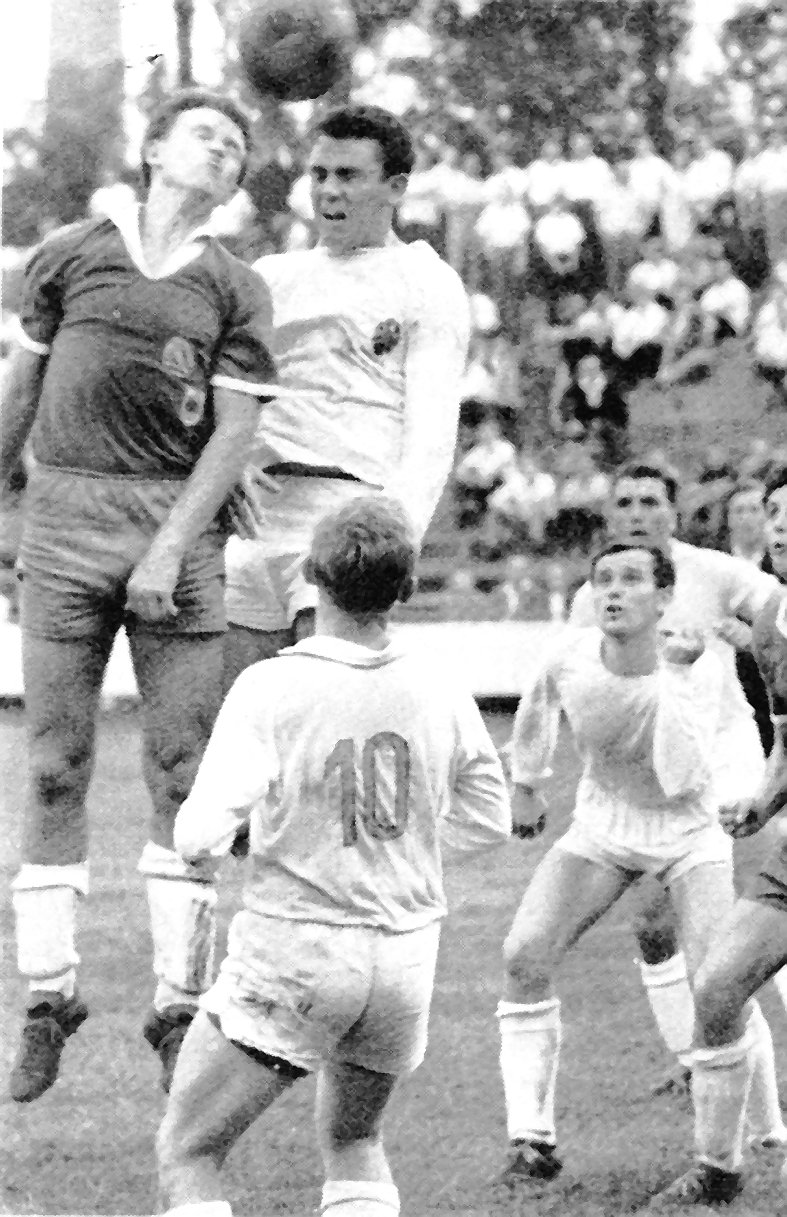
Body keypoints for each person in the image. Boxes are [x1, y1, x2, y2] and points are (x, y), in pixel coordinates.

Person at [2, 89, 278, 1102]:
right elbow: (20, 393)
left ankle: (177, 1008)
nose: (224, 151)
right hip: (66, 519)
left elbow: (236, 432)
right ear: (155, 148)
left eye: (237, 146)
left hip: (179, 531)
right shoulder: (70, 254)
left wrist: (167, 548)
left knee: (180, 772)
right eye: (207, 134)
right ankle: (49, 997)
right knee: (53, 766)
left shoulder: (236, 286)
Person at [155, 495, 512, 1217]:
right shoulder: (439, 685)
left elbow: (196, 835)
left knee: (188, 1150)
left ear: (311, 578)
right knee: (355, 1139)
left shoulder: (272, 684)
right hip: (404, 956)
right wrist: (396, 849)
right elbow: (488, 819)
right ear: (405, 588)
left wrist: (266, 839)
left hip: (298, 948)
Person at [497, 541, 732, 1182]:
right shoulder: (570, 656)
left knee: (719, 984)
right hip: (602, 828)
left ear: (664, 597)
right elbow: (536, 707)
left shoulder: (697, 668)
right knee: (524, 954)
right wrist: (527, 784)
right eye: (603, 580)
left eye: (632, 579)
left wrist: (677, 675)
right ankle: (530, 1142)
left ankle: (738, 1149)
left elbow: (680, 778)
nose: (615, 591)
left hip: (689, 833)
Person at [569, 464, 786, 1137]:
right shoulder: (593, 596)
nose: (636, 513)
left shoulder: (716, 574)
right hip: (662, 780)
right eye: (624, 502)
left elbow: (769, 604)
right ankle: (698, 1069)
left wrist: (746, 635)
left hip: (723, 762)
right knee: (658, 927)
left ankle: (755, 1119)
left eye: (649, 501)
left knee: (740, 927)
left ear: (674, 509)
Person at [223, 104, 470, 687]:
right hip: (253, 521)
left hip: (346, 515)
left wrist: (394, 546)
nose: (329, 191)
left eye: (349, 175)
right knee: (235, 717)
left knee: (326, 710)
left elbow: (432, 437)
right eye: (320, 174)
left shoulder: (426, 280)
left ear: (396, 187)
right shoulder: (271, 276)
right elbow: (228, 394)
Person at [650, 469, 787, 1207]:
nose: (781, 527)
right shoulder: (771, 627)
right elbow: (786, 742)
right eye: (775, 514)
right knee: (717, 984)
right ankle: (719, 1168)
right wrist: (763, 802)